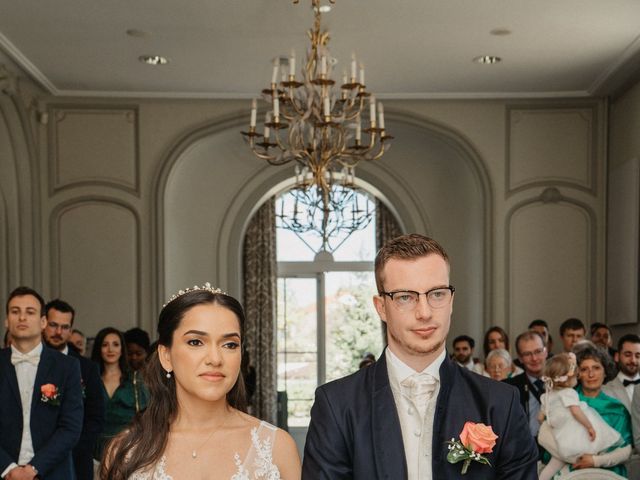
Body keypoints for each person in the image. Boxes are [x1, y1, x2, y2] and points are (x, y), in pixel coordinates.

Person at [303, 234, 538, 479]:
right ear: (381, 306)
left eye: (437, 294)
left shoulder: (500, 403)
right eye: (405, 297)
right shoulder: (336, 405)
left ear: (451, 300)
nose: (424, 312)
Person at [102, 284, 300, 479]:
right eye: (195, 342)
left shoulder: (277, 448)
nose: (215, 358)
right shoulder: (126, 451)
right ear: (166, 356)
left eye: (230, 344)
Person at [0, 286, 83, 479]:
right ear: (6, 320)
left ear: (43, 321)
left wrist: (33, 469)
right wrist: (8, 468)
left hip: (52, 472)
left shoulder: (67, 367)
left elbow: (71, 427)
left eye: (30, 312)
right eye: (15, 312)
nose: (22, 318)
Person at [44, 299, 105, 480]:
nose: (58, 332)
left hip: (76, 459)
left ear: (70, 330)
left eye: (65, 327)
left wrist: (70, 446)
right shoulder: (33, 363)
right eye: (53, 325)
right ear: (42, 324)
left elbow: (96, 416)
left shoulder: (86, 368)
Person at [537, 352, 621, 480]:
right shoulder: (569, 393)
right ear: (569, 378)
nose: (586, 375)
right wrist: (589, 427)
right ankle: (598, 453)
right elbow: (576, 412)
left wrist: (551, 423)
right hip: (571, 436)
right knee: (593, 441)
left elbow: (540, 417)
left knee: (553, 465)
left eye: (596, 368)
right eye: (581, 371)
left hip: (559, 436)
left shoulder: (547, 395)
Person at [558, 343, 632, 476]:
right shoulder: (565, 402)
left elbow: (626, 451)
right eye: (584, 369)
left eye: (596, 368)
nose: (591, 374)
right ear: (577, 374)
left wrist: (595, 461)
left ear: (605, 372)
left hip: (609, 472)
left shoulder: (617, 409)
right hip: (571, 471)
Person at [92, 327, 148, 460]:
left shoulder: (135, 380)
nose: (110, 349)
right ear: (99, 349)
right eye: (105, 345)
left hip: (128, 448)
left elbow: (146, 416)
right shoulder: (90, 380)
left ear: (122, 349)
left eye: (115, 344)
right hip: (94, 450)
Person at [504, 331, 548, 441]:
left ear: (546, 351)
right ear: (519, 358)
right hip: (526, 448)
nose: (534, 358)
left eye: (538, 351)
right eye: (527, 354)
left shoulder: (563, 382)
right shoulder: (509, 388)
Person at [603, 333, 640, 412]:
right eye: (628, 355)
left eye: (637, 356)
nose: (633, 360)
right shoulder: (604, 390)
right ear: (617, 357)